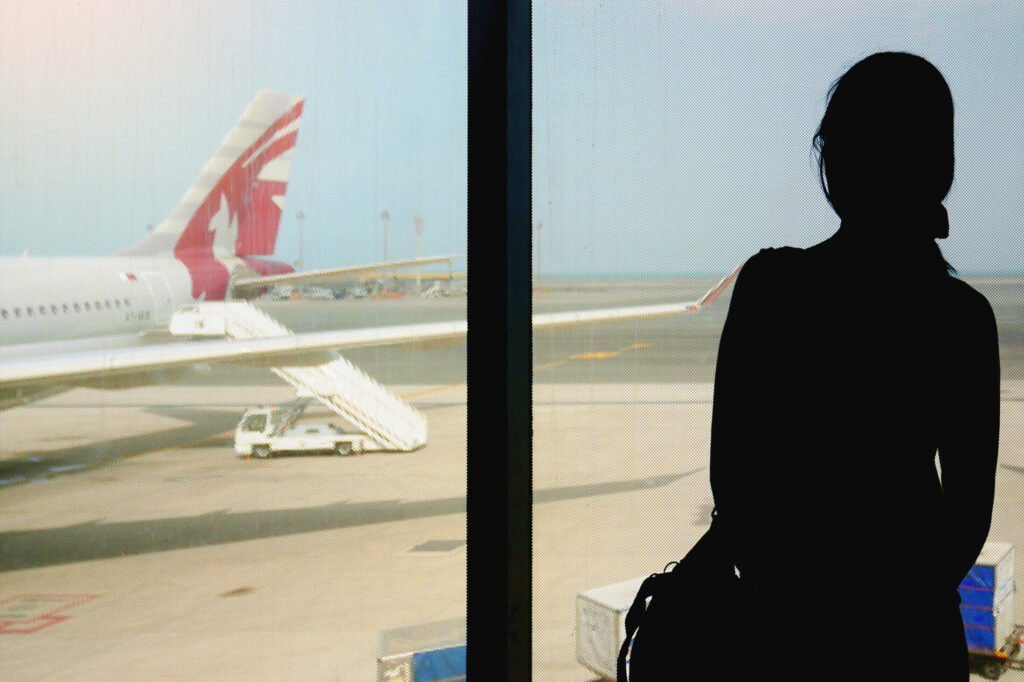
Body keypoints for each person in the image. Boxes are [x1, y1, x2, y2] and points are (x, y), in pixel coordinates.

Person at [709, 52, 1000, 680]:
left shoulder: (771, 288)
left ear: (834, 161)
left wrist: (793, 602)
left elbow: (733, 480)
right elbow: (967, 515)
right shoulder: (962, 318)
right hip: (912, 640)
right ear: (939, 168)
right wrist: (894, 606)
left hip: (785, 634)